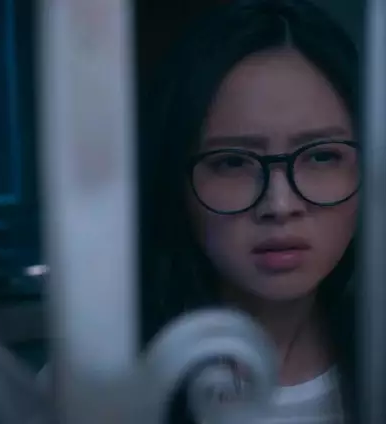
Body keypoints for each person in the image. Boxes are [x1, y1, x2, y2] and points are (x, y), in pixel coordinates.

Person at [139, 0, 361, 422]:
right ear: (176, 179)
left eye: (321, 157)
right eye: (232, 162)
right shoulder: (97, 385)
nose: (280, 205)